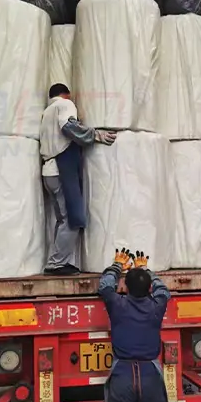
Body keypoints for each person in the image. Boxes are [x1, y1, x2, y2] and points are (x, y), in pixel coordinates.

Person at [40, 82, 115, 274]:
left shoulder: (46, 112)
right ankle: (56, 264)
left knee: (62, 218)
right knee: (73, 218)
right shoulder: (65, 104)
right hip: (61, 170)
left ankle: (57, 261)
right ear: (66, 94)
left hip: (49, 171)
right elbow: (68, 126)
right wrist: (94, 135)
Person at [97, 257, 172, 402]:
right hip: (150, 375)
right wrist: (145, 269)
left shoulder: (118, 305)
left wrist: (116, 266)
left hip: (122, 375)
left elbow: (105, 286)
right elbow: (163, 290)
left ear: (125, 287)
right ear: (150, 288)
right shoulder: (156, 307)